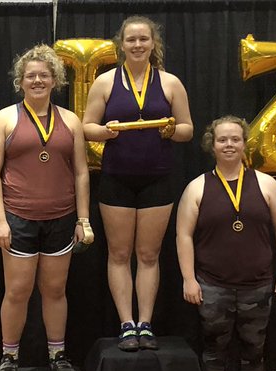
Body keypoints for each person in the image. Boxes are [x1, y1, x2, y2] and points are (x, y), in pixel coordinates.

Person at [81, 15, 193, 351]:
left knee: (148, 254)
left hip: (157, 179)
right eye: (131, 40)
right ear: (122, 45)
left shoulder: (170, 82)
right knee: (118, 253)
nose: (138, 45)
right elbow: (86, 126)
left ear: (153, 43)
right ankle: (126, 324)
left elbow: (187, 128)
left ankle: (146, 323)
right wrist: (104, 132)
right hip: (116, 179)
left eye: (144, 39)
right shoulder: (104, 82)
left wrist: (172, 130)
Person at [0, 44, 92, 371]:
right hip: (18, 218)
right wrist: (0, 220)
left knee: (55, 290)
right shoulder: (4, 118)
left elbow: (81, 172)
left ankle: (57, 354)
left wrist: (83, 220)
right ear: (21, 81)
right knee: (17, 291)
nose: (37, 80)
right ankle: (9, 357)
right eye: (31, 75)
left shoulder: (71, 120)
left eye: (44, 75)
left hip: (61, 218)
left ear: (55, 80)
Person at [175, 116, 276, 371]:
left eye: (235, 139)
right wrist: (188, 279)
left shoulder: (267, 184)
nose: (229, 144)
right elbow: (183, 236)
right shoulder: (196, 188)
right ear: (212, 145)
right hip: (212, 286)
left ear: (244, 144)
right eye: (222, 140)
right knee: (213, 353)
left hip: (259, 286)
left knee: (254, 351)